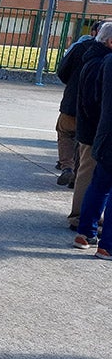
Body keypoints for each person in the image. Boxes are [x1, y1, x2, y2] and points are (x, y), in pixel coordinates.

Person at [71, 22, 112, 245]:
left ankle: (85, 230)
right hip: (97, 131)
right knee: (92, 178)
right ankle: (103, 241)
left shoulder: (100, 59)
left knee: (98, 184)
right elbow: (92, 100)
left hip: (101, 132)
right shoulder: (100, 60)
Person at [57, 22, 102, 193]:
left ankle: (67, 167)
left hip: (71, 103)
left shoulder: (80, 48)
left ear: (94, 32)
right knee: (83, 142)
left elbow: (62, 72)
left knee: (65, 133)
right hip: (96, 109)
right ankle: (77, 174)